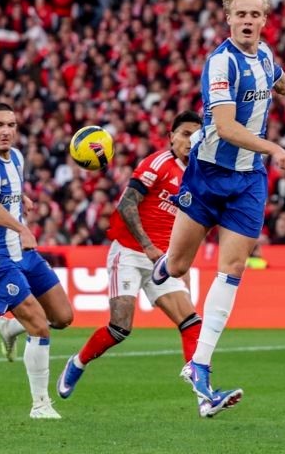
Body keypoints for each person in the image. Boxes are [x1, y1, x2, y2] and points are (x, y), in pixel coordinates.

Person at [150, 0, 285, 409]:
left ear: (265, 20)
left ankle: (200, 366)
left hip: (248, 180)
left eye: (255, 15)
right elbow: (228, 126)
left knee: (232, 268)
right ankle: (164, 265)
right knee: (178, 264)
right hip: (207, 175)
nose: (248, 21)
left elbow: (282, 83)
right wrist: (273, 148)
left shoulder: (265, 54)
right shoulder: (220, 64)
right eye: (242, 15)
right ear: (229, 20)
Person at [55, 111, 239, 417]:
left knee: (191, 321)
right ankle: (77, 363)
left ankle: (204, 398)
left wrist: (181, 262)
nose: (189, 141)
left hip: (165, 260)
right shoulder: (158, 163)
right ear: (171, 136)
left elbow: (200, 223)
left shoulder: (203, 175)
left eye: (195, 135)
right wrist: (148, 246)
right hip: (129, 252)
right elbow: (126, 204)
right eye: (183, 134)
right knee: (120, 328)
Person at [0, 102, 73, 419]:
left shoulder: (17, 157)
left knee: (63, 317)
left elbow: (9, 190)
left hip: (24, 253)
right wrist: (22, 227)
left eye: (11, 125)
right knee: (40, 326)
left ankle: (9, 327)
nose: (6, 131)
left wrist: (22, 199)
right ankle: (40, 405)